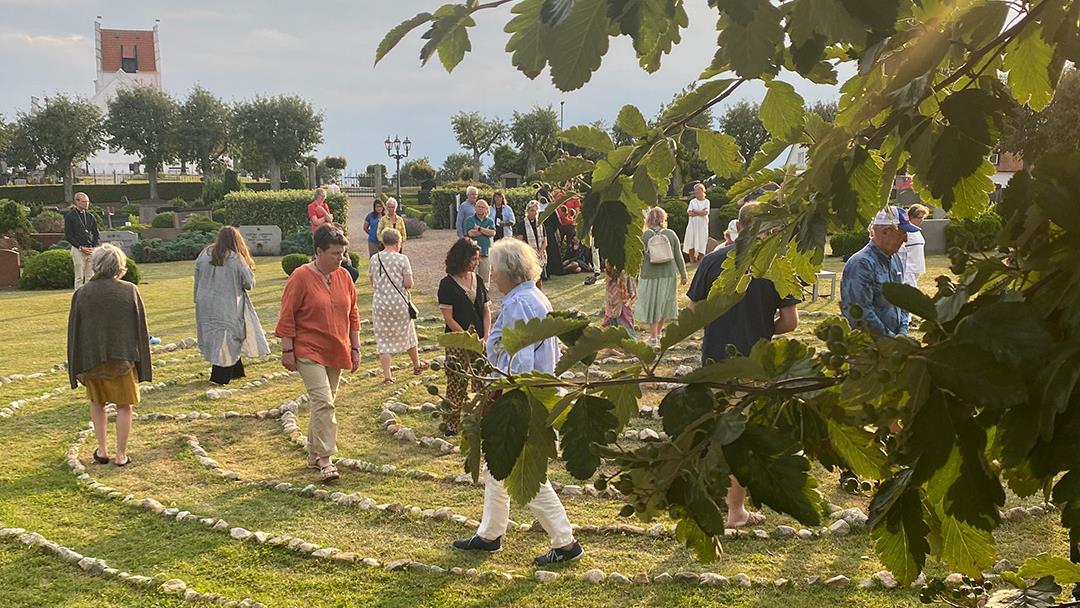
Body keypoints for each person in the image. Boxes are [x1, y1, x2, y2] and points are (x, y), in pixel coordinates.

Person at [452, 239, 584, 566]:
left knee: (522, 470)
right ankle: (490, 534)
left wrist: (499, 397)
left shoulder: (518, 304)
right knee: (496, 466)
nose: (492, 275)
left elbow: (519, 360)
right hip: (534, 393)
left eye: (495, 270)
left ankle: (565, 542)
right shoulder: (532, 295)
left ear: (508, 271)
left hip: (520, 397)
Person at [687, 202, 800, 528]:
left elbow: (693, 313)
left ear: (738, 227)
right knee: (741, 437)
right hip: (753, 363)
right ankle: (735, 511)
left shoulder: (711, 261)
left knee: (716, 432)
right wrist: (762, 328)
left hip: (713, 361)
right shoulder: (777, 266)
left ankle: (706, 499)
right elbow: (790, 322)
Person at [276, 225, 361, 482]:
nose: (340, 258)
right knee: (324, 402)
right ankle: (326, 459)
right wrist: (287, 349)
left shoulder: (344, 277)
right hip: (308, 348)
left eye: (342, 253)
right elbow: (287, 314)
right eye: (335, 253)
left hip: (337, 348)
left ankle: (314, 453)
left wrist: (355, 347)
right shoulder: (301, 276)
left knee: (323, 403)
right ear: (318, 252)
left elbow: (353, 314)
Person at [67, 244, 152, 467]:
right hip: (122, 358)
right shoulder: (129, 290)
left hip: (92, 358)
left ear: (96, 265)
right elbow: (140, 327)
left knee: (98, 403)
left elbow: (75, 330)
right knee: (125, 406)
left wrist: (77, 364)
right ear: (119, 265)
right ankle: (121, 455)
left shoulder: (82, 293)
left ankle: (103, 450)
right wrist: (141, 361)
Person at [194, 227, 270, 385]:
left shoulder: (204, 254)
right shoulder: (236, 258)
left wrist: (197, 299)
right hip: (226, 303)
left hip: (205, 302)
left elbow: (197, 278)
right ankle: (219, 377)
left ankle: (236, 371)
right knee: (228, 336)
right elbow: (249, 283)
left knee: (218, 335)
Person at [437, 238, 491, 435]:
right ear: (461, 258)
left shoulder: (479, 280)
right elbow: (448, 318)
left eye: (477, 259)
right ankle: (451, 425)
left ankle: (480, 421)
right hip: (457, 342)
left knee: (481, 382)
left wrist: (486, 336)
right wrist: (466, 338)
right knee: (456, 382)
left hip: (480, 341)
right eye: (473, 259)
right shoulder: (447, 284)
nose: (476, 262)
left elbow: (486, 311)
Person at [840, 206, 916, 339]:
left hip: (895, 344)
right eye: (902, 233)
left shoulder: (896, 258)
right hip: (870, 346)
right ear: (885, 232)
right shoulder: (861, 264)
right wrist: (891, 340)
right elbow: (860, 314)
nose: (905, 239)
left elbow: (902, 300)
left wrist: (902, 332)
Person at [370, 228, 428, 384]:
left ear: (383, 242)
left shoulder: (374, 258)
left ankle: (387, 376)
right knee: (409, 334)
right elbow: (408, 284)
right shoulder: (402, 259)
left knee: (383, 339)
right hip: (399, 303)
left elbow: (372, 282)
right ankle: (416, 365)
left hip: (380, 304)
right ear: (398, 242)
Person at [635, 207, 687, 345]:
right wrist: (683, 274)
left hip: (649, 275)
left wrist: (635, 275)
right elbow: (678, 256)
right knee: (664, 304)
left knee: (652, 305)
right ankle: (658, 333)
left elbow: (639, 257)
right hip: (669, 274)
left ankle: (653, 337)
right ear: (664, 218)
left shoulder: (645, 236)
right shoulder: (671, 234)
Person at [65, 192, 100, 289]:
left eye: (87, 201)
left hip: (90, 249)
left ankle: (90, 295)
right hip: (78, 249)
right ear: (77, 202)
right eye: (84, 201)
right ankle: (78, 295)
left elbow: (96, 233)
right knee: (79, 277)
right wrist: (80, 247)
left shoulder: (90, 216)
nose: (86, 204)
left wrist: (94, 247)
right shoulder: (70, 216)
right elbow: (69, 236)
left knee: (90, 276)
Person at [514, 199, 548, 285]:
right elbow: (520, 241)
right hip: (528, 255)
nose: (534, 213)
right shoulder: (522, 224)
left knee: (539, 279)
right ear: (527, 211)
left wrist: (539, 253)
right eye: (532, 210)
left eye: (536, 211)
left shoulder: (540, 223)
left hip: (540, 255)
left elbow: (545, 241)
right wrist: (531, 253)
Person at [464, 199, 497, 285]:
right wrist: (486, 231)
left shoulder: (490, 221)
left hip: (486, 252)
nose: (480, 208)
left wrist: (479, 228)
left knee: (485, 278)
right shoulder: (469, 220)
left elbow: (492, 233)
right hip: (472, 253)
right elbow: (470, 233)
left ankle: (484, 291)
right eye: (478, 207)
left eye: (482, 207)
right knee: (470, 275)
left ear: (486, 209)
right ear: (475, 208)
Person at [602, 261, 637, 339]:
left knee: (626, 329)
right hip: (612, 304)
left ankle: (629, 340)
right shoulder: (609, 274)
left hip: (622, 304)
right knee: (611, 330)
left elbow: (632, 292)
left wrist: (628, 303)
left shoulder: (625, 274)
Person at [900, 204, 929, 288]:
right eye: (919, 218)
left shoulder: (917, 231)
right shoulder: (905, 232)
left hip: (916, 269)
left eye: (923, 218)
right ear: (910, 217)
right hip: (908, 270)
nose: (921, 220)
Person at [684, 182, 710, 263]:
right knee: (691, 240)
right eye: (695, 190)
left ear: (702, 190)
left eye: (698, 189)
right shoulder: (692, 202)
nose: (696, 191)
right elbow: (690, 213)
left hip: (702, 226)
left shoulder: (707, 201)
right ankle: (692, 259)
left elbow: (705, 213)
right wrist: (699, 212)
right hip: (692, 225)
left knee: (702, 241)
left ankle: (701, 259)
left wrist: (695, 211)